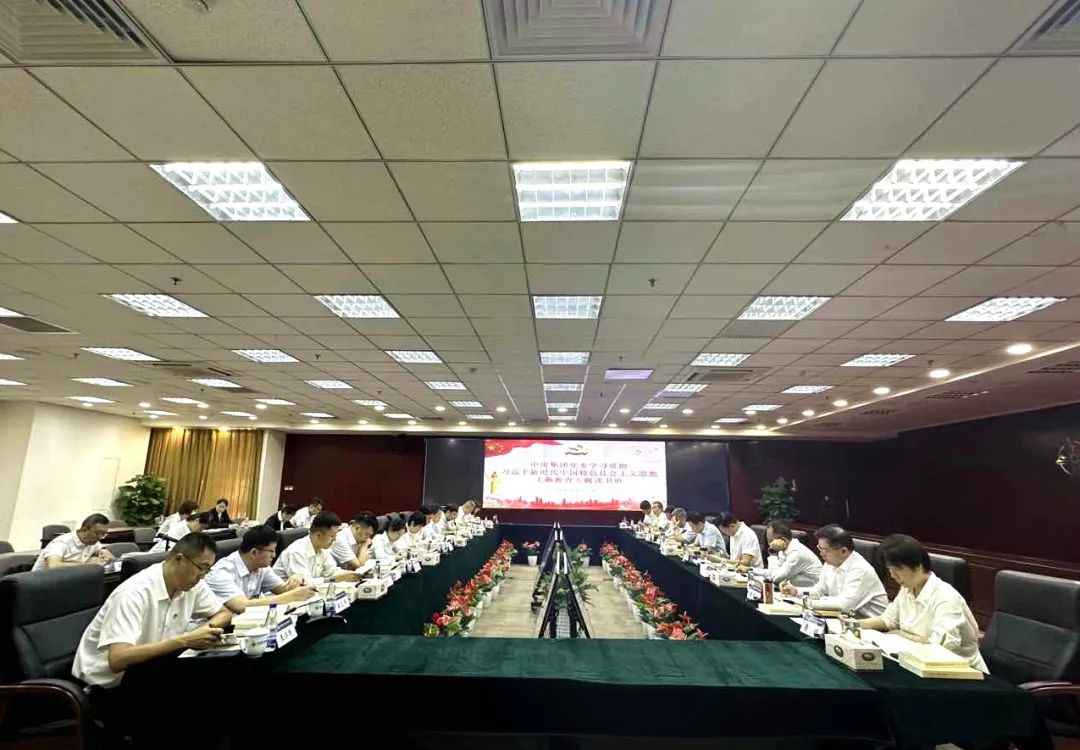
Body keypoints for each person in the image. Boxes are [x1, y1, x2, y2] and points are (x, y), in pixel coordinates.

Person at [73, 532, 231, 691]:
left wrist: (203, 632)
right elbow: (118, 659)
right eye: (201, 568)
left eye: (207, 570)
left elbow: (223, 614)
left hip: (150, 669)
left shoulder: (191, 584)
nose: (202, 576)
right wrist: (185, 641)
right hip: (107, 686)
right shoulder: (133, 593)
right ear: (178, 559)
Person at [858, 534, 987, 672]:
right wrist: (853, 624)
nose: (893, 576)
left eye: (897, 569)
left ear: (917, 565)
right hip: (916, 661)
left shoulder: (946, 597)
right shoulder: (907, 588)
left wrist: (902, 635)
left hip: (960, 670)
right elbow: (888, 620)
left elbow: (940, 647)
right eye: (890, 570)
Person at [783, 524, 887, 618]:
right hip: (843, 618)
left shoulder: (860, 570)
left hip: (871, 625)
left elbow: (844, 605)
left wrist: (809, 602)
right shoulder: (830, 563)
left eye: (825, 550)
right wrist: (797, 592)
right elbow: (819, 590)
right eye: (820, 548)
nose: (821, 554)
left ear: (843, 551)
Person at [206, 525, 313, 613]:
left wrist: (298, 579)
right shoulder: (222, 572)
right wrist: (291, 596)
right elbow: (241, 606)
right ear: (254, 552)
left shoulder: (261, 567)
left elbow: (284, 589)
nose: (274, 555)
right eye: (271, 551)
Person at [272, 511, 359, 584]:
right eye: (332, 536)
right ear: (318, 535)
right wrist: (332, 579)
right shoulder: (296, 551)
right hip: (280, 596)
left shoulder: (323, 549)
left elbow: (332, 571)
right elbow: (304, 583)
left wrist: (355, 575)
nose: (335, 539)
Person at [33, 514, 114, 571]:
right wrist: (87, 565)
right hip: (41, 584)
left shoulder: (93, 541)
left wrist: (104, 552)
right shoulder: (62, 542)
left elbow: (101, 551)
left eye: (103, 534)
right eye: (97, 533)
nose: (100, 537)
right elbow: (53, 566)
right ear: (84, 530)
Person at [765, 520, 822, 588]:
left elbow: (776, 579)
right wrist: (753, 570)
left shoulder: (796, 553)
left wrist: (773, 555)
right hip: (794, 588)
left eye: (771, 541)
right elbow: (774, 572)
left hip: (809, 591)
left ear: (782, 540)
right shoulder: (783, 549)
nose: (769, 544)